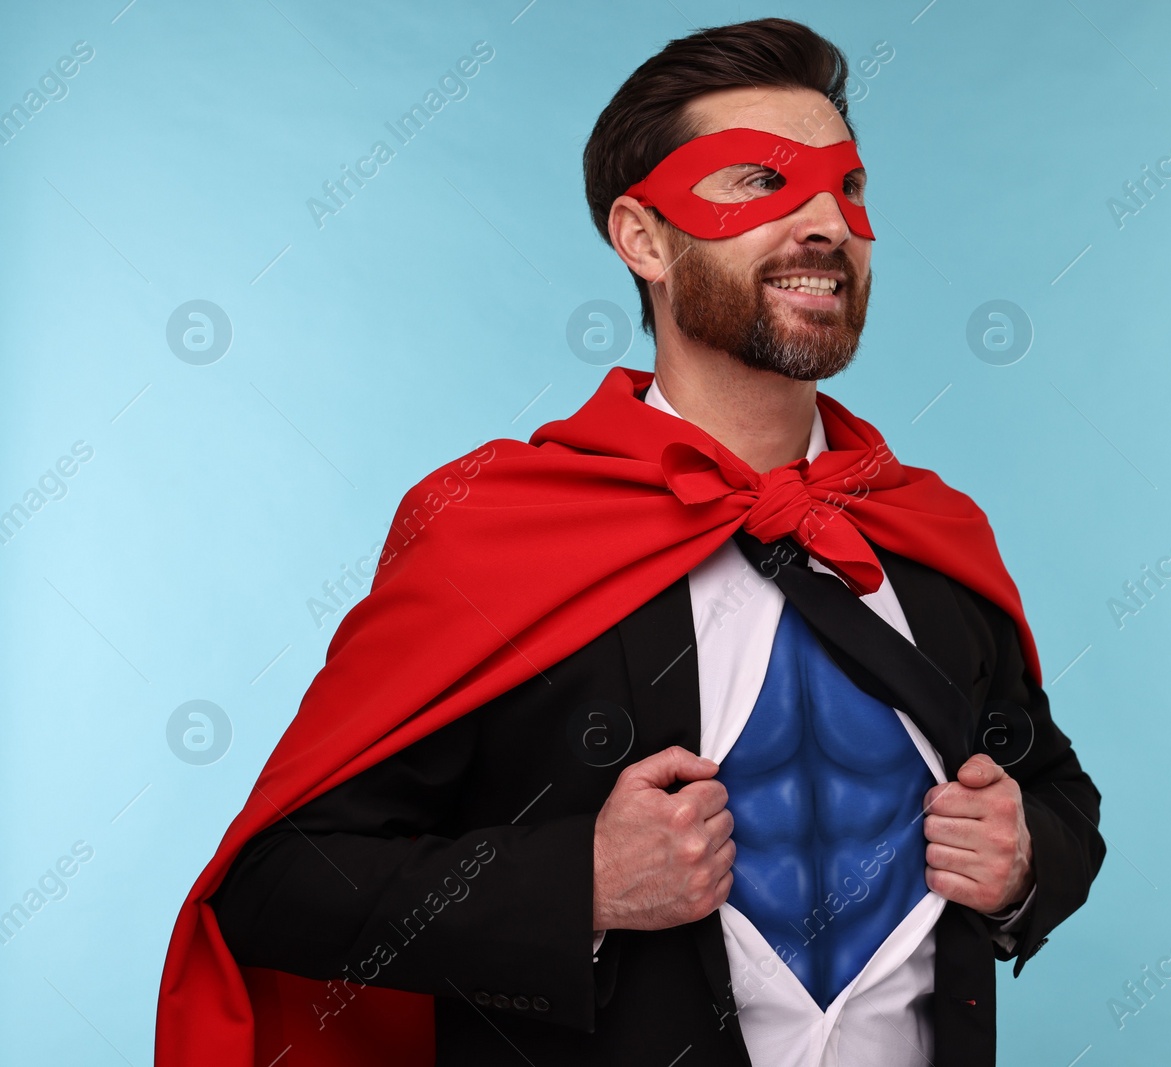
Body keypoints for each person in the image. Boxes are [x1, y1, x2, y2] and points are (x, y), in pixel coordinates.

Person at [156, 17, 1104, 1067]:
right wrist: (579, 885)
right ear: (643, 238)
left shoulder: (925, 528)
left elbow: (1052, 790)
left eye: (850, 187)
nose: (827, 220)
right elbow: (282, 879)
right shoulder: (493, 527)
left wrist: (1025, 865)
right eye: (758, 181)